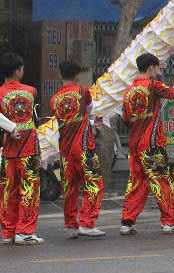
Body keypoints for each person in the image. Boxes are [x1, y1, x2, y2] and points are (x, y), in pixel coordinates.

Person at [120, 53, 174, 236]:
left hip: (134, 143)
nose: (158, 71)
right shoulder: (153, 85)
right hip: (152, 143)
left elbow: (125, 119)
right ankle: (168, 222)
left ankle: (127, 221)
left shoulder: (129, 90)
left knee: (136, 183)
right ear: (151, 68)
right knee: (161, 181)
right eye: (157, 68)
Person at [49, 60, 105, 238]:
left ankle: (71, 224)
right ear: (77, 75)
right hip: (83, 147)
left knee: (70, 187)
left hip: (65, 149)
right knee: (94, 182)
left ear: (60, 75)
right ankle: (87, 223)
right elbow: (90, 110)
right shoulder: (82, 91)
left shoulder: (54, 99)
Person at [0, 52, 42, 245]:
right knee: (30, 188)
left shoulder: (0, 92)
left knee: (11, 189)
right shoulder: (31, 91)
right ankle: (24, 231)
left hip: (9, 149)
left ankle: (8, 232)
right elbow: (34, 120)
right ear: (18, 70)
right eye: (22, 68)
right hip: (28, 148)